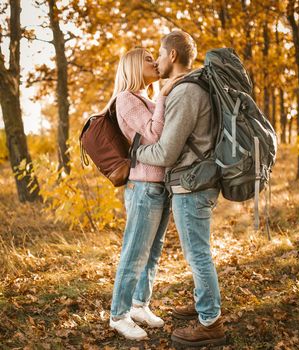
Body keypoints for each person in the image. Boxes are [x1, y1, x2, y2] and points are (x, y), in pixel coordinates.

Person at [136, 31, 226, 347]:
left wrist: (134, 153)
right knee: (196, 251)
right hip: (196, 181)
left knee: (197, 253)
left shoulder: (186, 92)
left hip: (192, 184)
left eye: (159, 54)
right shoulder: (188, 88)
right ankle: (204, 305)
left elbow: (165, 153)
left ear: (172, 55)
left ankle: (210, 321)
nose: (157, 61)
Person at [106, 48, 179, 341]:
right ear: (135, 66)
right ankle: (119, 315)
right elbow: (154, 134)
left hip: (160, 184)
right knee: (135, 252)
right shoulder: (126, 99)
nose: (155, 62)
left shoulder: (145, 99)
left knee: (152, 252)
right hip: (143, 186)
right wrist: (163, 97)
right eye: (148, 59)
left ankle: (139, 305)